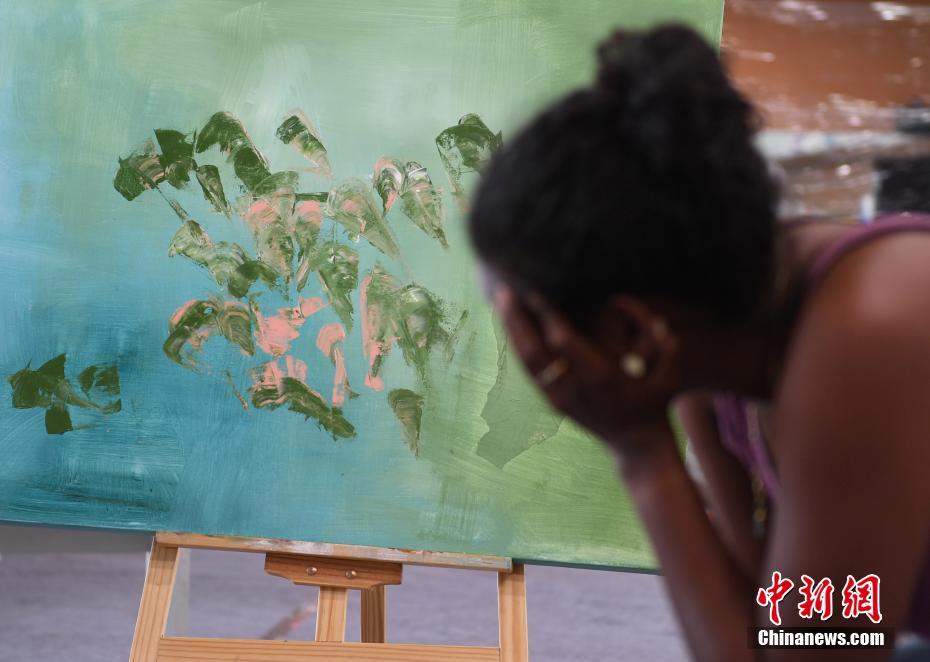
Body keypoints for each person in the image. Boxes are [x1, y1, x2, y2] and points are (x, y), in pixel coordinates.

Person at [468, 24, 930, 661]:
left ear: (629, 328)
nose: (530, 354)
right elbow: (767, 631)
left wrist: (641, 452)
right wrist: (643, 440)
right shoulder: (717, 362)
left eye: (529, 323)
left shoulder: (865, 330)